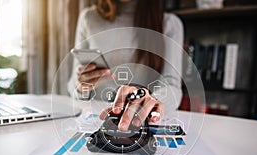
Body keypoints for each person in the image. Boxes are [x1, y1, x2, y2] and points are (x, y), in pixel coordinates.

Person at [68, 0, 184, 131]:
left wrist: (151, 102)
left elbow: (172, 86)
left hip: (139, 123)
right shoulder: (88, 18)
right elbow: (73, 87)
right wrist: (80, 87)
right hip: (94, 122)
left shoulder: (170, 24)